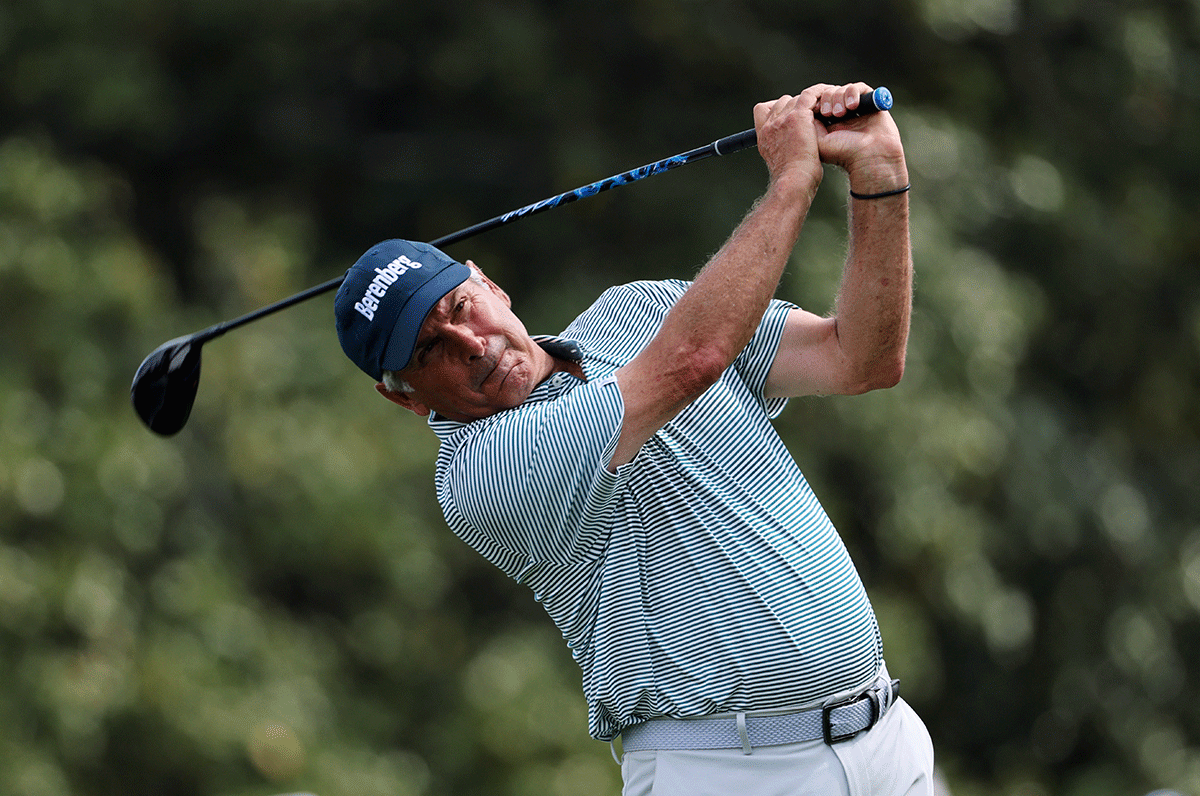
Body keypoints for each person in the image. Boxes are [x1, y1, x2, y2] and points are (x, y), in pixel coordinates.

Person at [334, 82, 934, 796]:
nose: (470, 342)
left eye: (461, 307)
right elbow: (692, 361)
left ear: (490, 284)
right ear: (400, 396)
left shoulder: (638, 309)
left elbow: (861, 358)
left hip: (888, 739)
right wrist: (791, 184)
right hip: (728, 772)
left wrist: (879, 177)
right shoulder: (480, 474)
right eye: (429, 350)